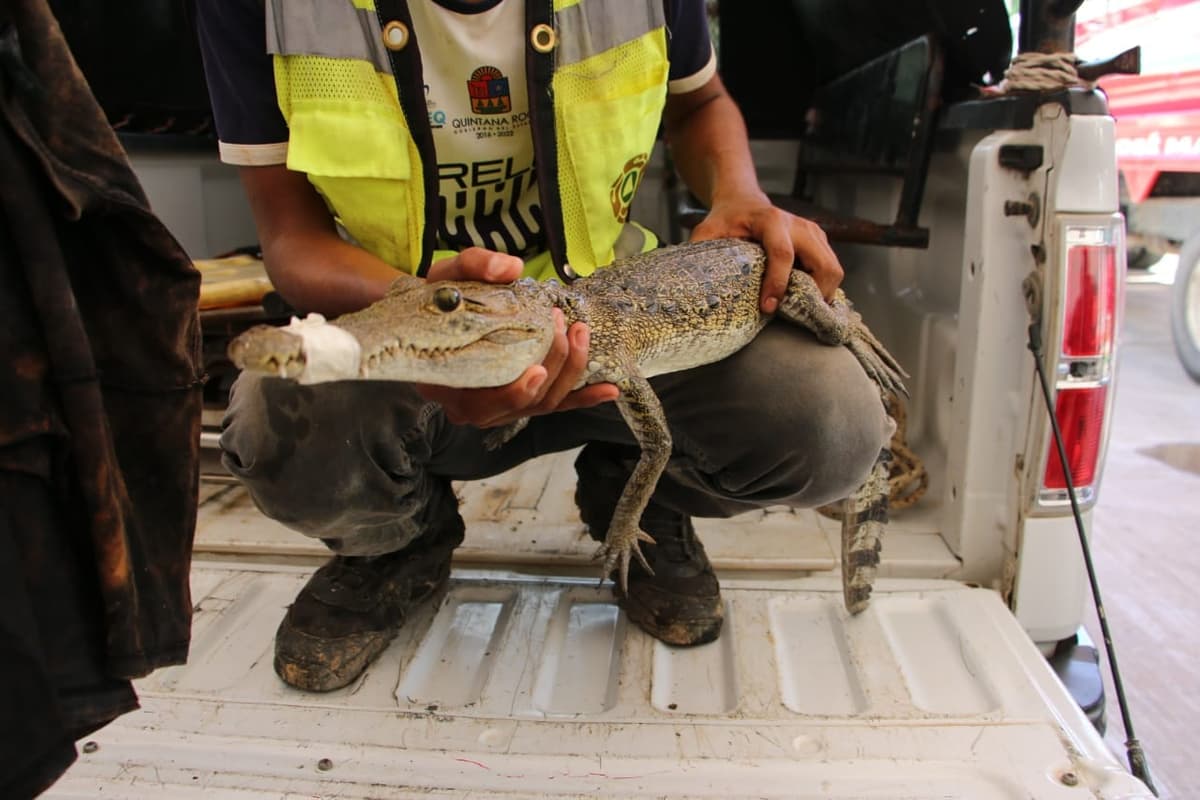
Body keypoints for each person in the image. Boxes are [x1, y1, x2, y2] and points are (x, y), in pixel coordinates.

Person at [196, 0, 890, 692]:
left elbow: (699, 99)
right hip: (412, 305)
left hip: (613, 332)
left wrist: (737, 192)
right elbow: (287, 234)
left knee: (833, 420)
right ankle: (397, 546)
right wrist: (414, 295)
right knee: (273, 417)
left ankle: (640, 506)